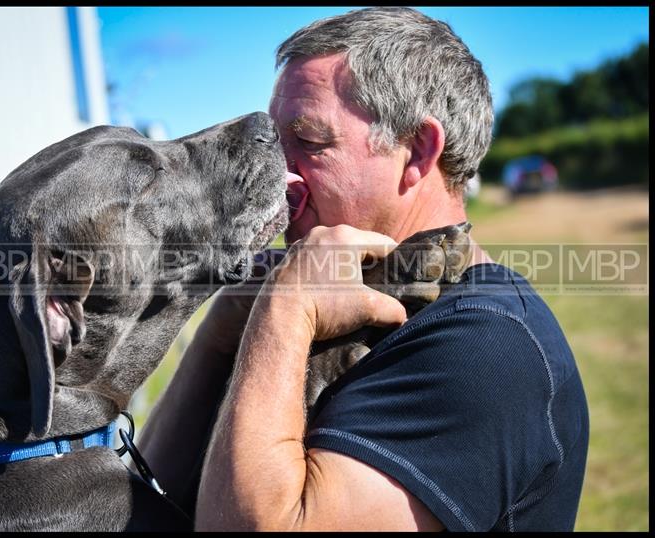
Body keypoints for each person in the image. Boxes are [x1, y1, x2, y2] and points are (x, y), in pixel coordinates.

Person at [136, 7, 589, 531]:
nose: (280, 176)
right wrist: (221, 334)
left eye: (308, 143)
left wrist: (286, 310)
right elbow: (150, 501)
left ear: (417, 151)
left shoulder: (485, 347)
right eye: (277, 144)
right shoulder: (343, 291)